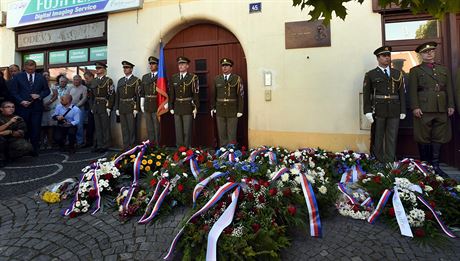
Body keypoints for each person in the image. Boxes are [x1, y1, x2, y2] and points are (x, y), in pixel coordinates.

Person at [409, 42, 455, 177]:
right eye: (425, 52)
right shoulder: (416, 71)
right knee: (423, 136)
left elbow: (449, 89)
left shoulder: (444, 70)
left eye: (432, 51)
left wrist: (451, 104)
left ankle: (435, 166)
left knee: (439, 136)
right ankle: (424, 166)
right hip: (424, 108)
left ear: (434, 53)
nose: (429, 54)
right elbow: (412, 91)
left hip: (441, 107)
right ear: (421, 55)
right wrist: (415, 107)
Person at [363, 46, 406, 163]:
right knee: (378, 137)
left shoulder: (397, 73)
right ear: (378, 58)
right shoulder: (371, 74)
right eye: (384, 56)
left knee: (392, 137)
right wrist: (367, 111)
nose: (387, 58)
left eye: (388, 55)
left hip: (394, 109)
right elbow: (367, 95)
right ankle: (378, 162)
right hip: (378, 109)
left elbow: (401, 93)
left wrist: (403, 110)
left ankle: (389, 162)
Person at [9, 59, 50, 156]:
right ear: (24, 68)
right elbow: (14, 92)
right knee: (24, 129)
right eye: (28, 69)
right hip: (23, 108)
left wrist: (39, 96)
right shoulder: (18, 77)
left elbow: (47, 91)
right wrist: (21, 101)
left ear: (35, 67)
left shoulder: (41, 77)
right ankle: (24, 149)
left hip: (36, 108)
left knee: (36, 129)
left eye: (32, 69)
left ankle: (34, 150)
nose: (31, 71)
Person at [211, 58, 244, 146]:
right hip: (220, 108)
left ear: (231, 68)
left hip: (232, 109)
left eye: (227, 66)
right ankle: (223, 152)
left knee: (232, 132)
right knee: (222, 132)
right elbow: (214, 94)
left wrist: (240, 110)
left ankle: (231, 152)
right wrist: (213, 107)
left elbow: (240, 95)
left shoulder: (237, 79)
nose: (224, 68)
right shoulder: (217, 79)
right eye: (223, 66)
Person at [169, 56, 199, 148]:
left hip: (187, 106)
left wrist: (195, 107)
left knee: (187, 130)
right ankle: (179, 150)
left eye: (183, 64)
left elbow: (196, 93)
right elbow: (171, 94)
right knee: (178, 130)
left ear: (187, 66)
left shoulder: (193, 78)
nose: (180, 66)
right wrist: (171, 107)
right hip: (177, 107)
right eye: (179, 64)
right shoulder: (174, 77)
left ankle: (187, 149)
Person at [90, 62, 114, 153]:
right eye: (96, 68)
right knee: (98, 127)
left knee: (105, 126)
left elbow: (111, 94)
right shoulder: (94, 81)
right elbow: (91, 95)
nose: (97, 70)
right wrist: (92, 106)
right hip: (96, 105)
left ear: (104, 69)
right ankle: (99, 145)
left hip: (104, 105)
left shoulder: (108, 80)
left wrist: (109, 107)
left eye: (99, 68)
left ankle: (106, 145)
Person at [115, 61, 140, 150]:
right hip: (122, 107)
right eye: (124, 68)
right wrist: (117, 108)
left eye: (127, 68)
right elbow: (117, 95)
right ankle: (126, 146)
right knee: (124, 128)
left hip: (131, 106)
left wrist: (136, 108)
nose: (125, 69)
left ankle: (132, 146)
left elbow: (138, 95)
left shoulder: (136, 80)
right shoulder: (120, 80)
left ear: (131, 69)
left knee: (131, 127)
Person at [0, 101, 33, 167]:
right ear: (1, 109)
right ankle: (1, 159)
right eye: (8, 107)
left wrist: (10, 132)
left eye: (13, 107)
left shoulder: (18, 118)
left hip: (12, 139)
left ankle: (8, 156)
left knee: (26, 147)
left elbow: (21, 133)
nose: (11, 109)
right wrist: (10, 122)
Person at [140, 56, 160, 144]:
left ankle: (157, 145)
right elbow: (142, 92)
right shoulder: (145, 77)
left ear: (158, 65)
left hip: (157, 104)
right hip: (147, 104)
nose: (151, 66)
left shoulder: (161, 76)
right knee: (149, 127)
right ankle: (151, 145)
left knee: (157, 126)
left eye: (153, 64)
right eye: (150, 64)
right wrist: (142, 104)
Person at [40, 71, 58, 149]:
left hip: (50, 107)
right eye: (45, 75)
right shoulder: (38, 86)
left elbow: (55, 96)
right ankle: (42, 143)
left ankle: (50, 143)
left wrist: (48, 103)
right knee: (42, 127)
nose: (46, 76)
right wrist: (42, 106)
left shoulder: (53, 86)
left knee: (50, 127)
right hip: (41, 108)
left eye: (48, 75)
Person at [69, 75, 88, 147]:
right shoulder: (70, 87)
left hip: (80, 108)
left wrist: (76, 106)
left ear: (80, 80)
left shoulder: (84, 88)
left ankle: (80, 142)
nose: (76, 81)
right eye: (75, 79)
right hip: (70, 109)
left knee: (79, 125)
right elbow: (67, 96)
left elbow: (84, 98)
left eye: (77, 80)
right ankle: (70, 141)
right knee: (70, 124)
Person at [83, 70, 95, 148]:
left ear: (92, 77)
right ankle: (89, 142)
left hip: (96, 107)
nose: (86, 80)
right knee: (89, 126)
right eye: (85, 79)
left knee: (96, 126)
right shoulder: (87, 86)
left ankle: (96, 142)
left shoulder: (95, 84)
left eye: (87, 78)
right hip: (89, 108)